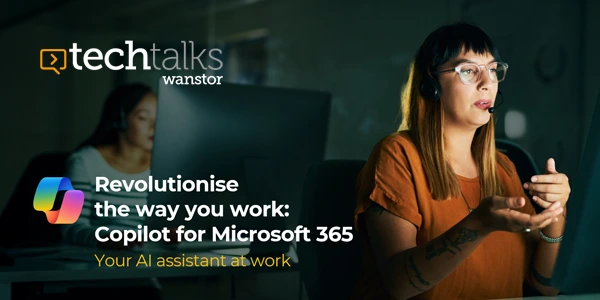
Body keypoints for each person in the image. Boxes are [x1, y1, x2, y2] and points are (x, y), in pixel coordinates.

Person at [352, 22, 571, 300]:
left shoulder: (504, 168)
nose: (487, 82)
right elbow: (400, 285)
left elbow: (547, 287)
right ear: (431, 85)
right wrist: (478, 224)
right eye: (468, 71)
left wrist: (555, 214)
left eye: (493, 70)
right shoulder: (397, 154)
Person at [57, 83, 164, 299]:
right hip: (92, 277)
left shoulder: (162, 166)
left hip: (143, 276)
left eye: (159, 116)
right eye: (143, 117)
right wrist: (105, 238)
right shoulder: (83, 162)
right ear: (120, 119)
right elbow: (69, 226)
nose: (155, 125)